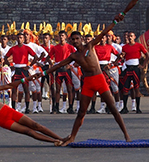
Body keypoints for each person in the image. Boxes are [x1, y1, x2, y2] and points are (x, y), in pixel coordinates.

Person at [44, 18, 131, 146]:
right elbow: (59, 64)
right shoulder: (74, 56)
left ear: (81, 39)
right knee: (81, 112)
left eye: (77, 39)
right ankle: (72, 137)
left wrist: (115, 21)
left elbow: (103, 33)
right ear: (70, 41)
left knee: (113, 108)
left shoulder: (90, 46)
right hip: (88, 82)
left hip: (99, 79)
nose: (75, 41)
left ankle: (126, 135)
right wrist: (44, 73)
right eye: (73, 39)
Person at [0, 76, 63, 146]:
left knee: (36, 126)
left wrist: (26, 79)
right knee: (29, 132)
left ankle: (62, 139)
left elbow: (9, 86)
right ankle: (54, 141)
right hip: (1, 120)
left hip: (8, 111)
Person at [119, 31, 147, 113]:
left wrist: (143, 65)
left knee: (136, 88)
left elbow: (147, 55)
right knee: (125, 88)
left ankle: (137, 108)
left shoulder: (139, 45)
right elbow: (122, 57)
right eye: (129, 36)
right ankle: (124, 107)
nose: (130, 37)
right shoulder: (124, 47)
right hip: (127, 68)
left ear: (134, 37)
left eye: (131, 36)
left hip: (135, 68)